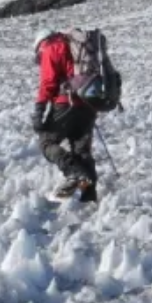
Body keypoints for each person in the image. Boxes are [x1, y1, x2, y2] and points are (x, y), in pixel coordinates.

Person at [33, 30, 99, 204]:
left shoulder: (51, 48)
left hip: (66, 103)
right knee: (81, 150)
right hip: (89, 102)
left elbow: (48, 82)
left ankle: (73, 172)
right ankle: (89, 196)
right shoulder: (75, 45)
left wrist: (39, 110)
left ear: (40, 44)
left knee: (46, 142)